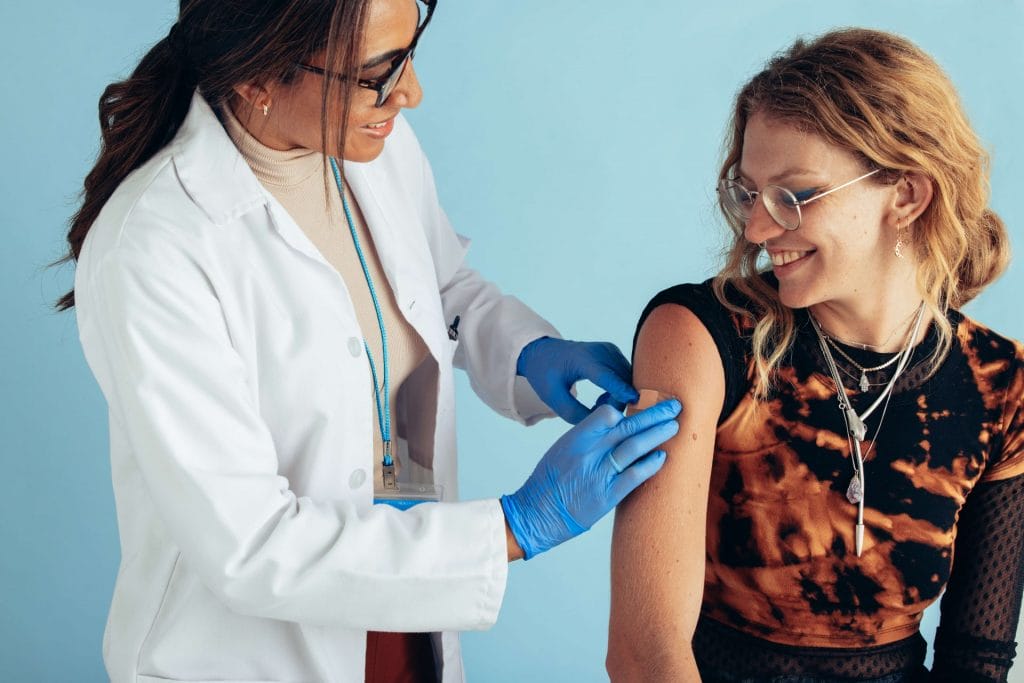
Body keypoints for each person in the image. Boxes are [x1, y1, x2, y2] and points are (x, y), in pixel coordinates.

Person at [59, 1, 682, 681]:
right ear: (257, 78)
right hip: (256, 655)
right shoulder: (154, 247)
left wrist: (528, 355)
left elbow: (438, 289)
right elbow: (250, 544)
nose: (411, 93)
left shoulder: (372, 144)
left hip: (406, 630)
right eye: (379, 73)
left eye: (407, 54)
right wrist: (516, 527)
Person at [606, 27, 1024, 683]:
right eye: (748, 192)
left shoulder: (1000, 384)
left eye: (794, 196)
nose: (756, 228)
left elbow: (977, 659)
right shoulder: (700, 336)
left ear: (907, 195)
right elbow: (644, 653)